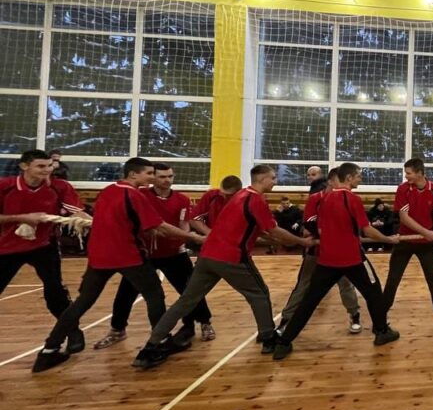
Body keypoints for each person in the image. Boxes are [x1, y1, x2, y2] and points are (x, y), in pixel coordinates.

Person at [131, 164, 314, 369]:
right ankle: (268, 338)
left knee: (186, 301)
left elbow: (256, 229)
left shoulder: (240, 196)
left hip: (207, 255)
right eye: (273, 178)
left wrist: (276, 239)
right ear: (262, 179)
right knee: (259, 294)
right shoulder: (255, 200)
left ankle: (150, 347)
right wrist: (302, 242)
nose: (275, 182)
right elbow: (273, 230)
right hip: (231, 257)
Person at [32, 158, 205, 373]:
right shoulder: (134, 195)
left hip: (98, 256)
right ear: (133, 174)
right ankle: (157, 345)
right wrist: (194, 238)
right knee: (154, 295)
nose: (152, 178)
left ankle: (49, 349)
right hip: (127, 255)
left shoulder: (108, 191)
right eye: (149, 173)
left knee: (83, 302)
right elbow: (159, 226)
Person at [273, 162, 401, 359]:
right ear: (349, 178)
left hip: (327, 259)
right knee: (374, 292)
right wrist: (389, 239)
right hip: (352, 258)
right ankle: (382, 331)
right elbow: (367, 230)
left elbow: (316, 226)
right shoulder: (353, 199)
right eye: (358, 176)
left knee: (310, 301)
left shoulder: (323, 199)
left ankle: (284, 342)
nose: (360, 179)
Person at [94, 163, 216, 350]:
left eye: (170, 176)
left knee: (190, 290)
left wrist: (184, 238)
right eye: (162, 177)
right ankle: (117, 330)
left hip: (173, 253)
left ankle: (204, 322)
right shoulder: (140, 195)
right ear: (152, 178)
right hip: (144, 255)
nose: (167, 180)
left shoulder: (181, 199)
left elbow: (184, 225)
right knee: (126, 292)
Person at [0, 150, 83, 342]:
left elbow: (76, 212)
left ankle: (72, 331)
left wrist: (89, 221)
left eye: (49, 166)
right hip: (7, 247)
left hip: (44, 245)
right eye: (41, 166)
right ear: (24, 166)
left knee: (55, 292)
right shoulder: (5, 187)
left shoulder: (59, 186)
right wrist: (22, 218)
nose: (47, 170)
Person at [278, 167, 363, 335]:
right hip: (316, 251)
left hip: (340, 253)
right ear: (330, 181)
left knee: (346, 284)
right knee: (303, 286)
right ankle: (286, 321)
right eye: (338, 180)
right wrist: (324, 234)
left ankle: (354, 315)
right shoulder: (316, 198)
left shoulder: (348, 199)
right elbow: (308, 225)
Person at [381, 158, 433, 334]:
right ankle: (380, 317)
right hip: (405, 241)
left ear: (420, 173)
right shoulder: (403, 189)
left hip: (426, 243)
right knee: (393, 279)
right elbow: (404, 217)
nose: (406, 176)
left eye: (409, 173)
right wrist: (426, 232)